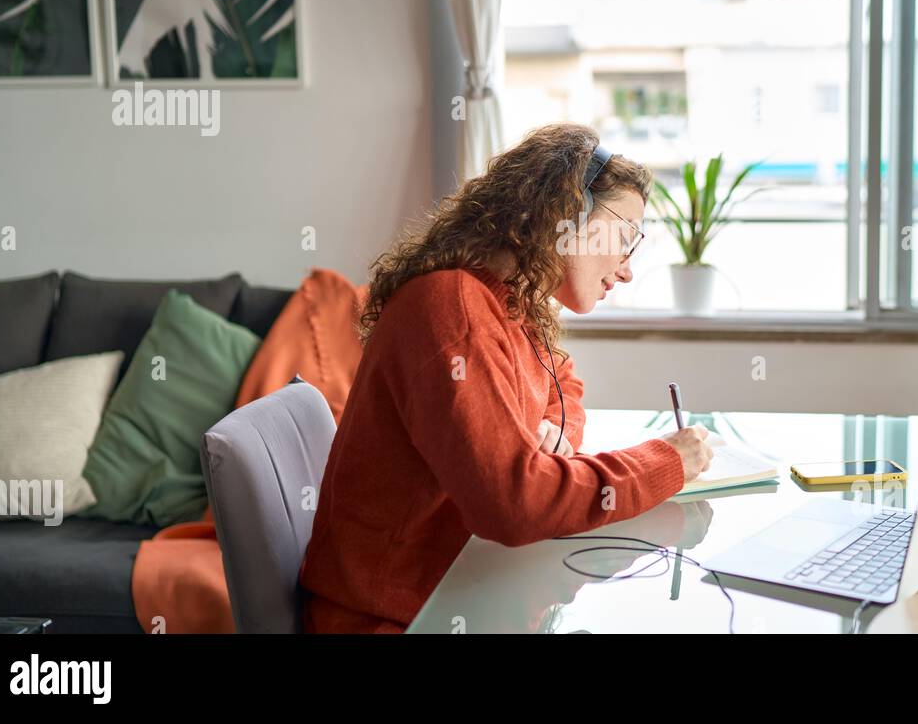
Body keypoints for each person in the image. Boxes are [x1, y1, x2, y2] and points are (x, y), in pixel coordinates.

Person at [299, 122, 714, 633]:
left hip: (460, 592)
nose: (627, 269)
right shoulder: (453, 310)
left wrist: (554, 429)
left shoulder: (507, 301)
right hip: (397, 619)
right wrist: (665, 461)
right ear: (567, 216)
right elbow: (515, 505)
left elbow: (563, 381)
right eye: (625, 239)